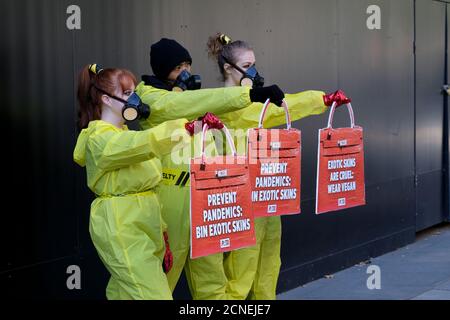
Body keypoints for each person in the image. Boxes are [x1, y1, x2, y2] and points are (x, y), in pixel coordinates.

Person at [136, 38, 286, 299]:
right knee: (161, 279)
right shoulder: (150, 98)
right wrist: (248, 94)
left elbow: (197, 103)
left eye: (187, 64)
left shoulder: (192, 98)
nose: (185, 72)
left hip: (203, 195)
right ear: (162, 70)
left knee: (212, 277)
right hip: (171, 201)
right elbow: (176, 107)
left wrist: (321, 100)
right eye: (177, 66)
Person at [204, 33, 350, 300]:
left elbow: (280, 107)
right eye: (247, 66)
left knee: (269, 262)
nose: (254, 70)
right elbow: (280, 107)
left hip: (265, 188)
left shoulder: (255, 100)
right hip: (241, 193)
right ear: (228, 67)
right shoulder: (223, 102)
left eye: (253, 64)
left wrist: (321, 101)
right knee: (242, 266)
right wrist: (320, 100)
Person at [73, 64, 191, 300]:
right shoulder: (100, 139)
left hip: (146, 224)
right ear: (106, 99)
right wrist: (181, 128)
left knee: (124, 293)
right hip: (121, 226)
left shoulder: (126, 134)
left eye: (133, 92)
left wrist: (163, 232)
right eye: (127, 93)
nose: (134, 99)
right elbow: (142, 144)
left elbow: (146, 172)